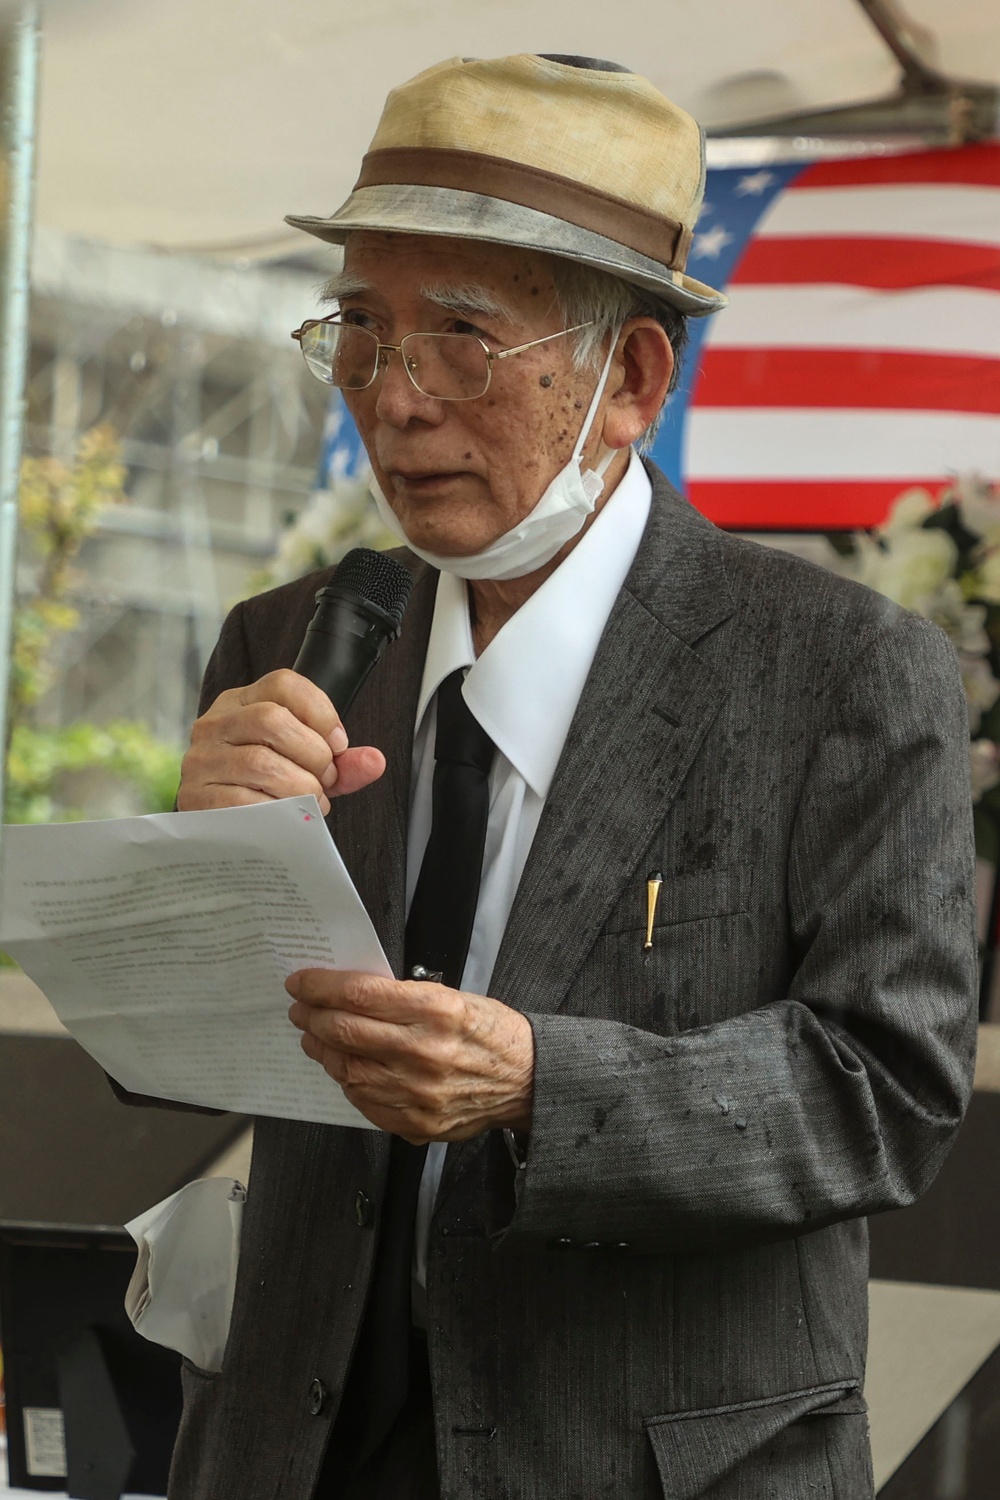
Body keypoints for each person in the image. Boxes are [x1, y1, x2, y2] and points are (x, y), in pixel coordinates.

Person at [166, 53, 978, 1500]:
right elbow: (170, 1055)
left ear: (632, 381)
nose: (393, 399)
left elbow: (888, 1090)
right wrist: (192, 882)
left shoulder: (842, 672)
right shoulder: (285, 639)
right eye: (359, 330)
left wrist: (547, 1084)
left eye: (462, 341)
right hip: (291, 1448)